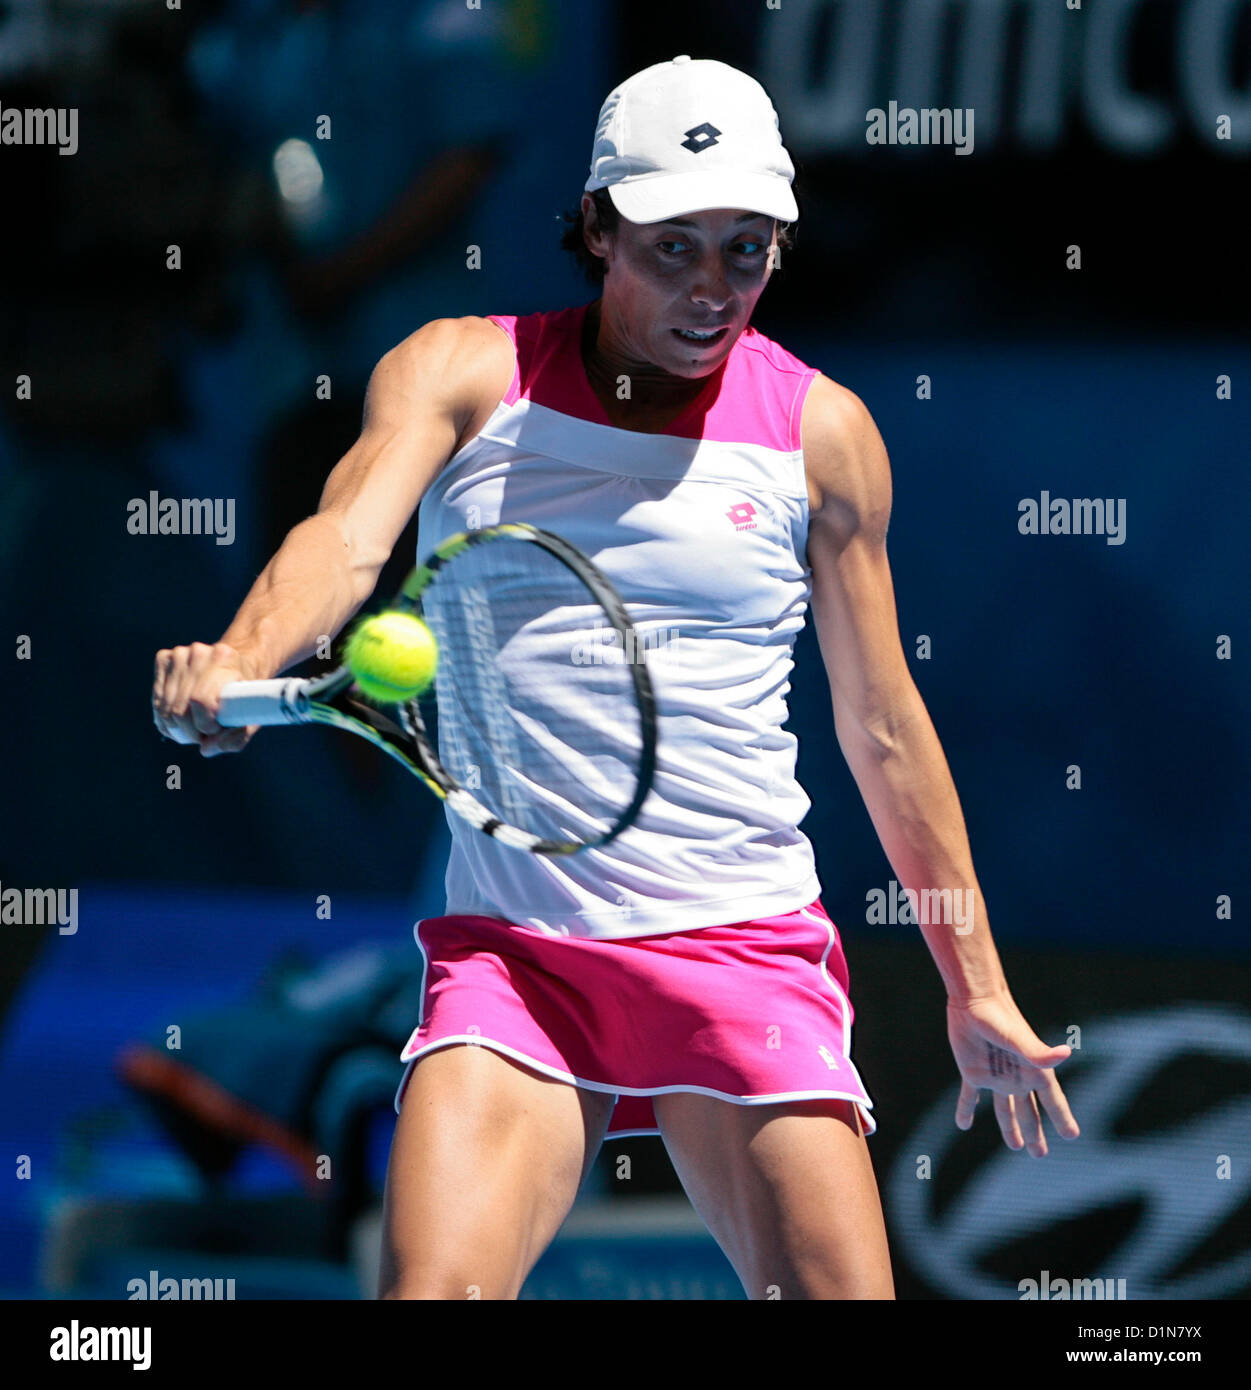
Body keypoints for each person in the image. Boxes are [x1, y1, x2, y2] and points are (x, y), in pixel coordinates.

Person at [152, 56, 1080, 1300]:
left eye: (746, 250)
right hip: (521, 955)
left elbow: (883, 725)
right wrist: (245, 655)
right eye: (673, 246)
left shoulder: (827, 436)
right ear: (596, 226)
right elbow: (345, 538)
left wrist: (977, 986)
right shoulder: (459, 373)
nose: (711, 289)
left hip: (744, 949)